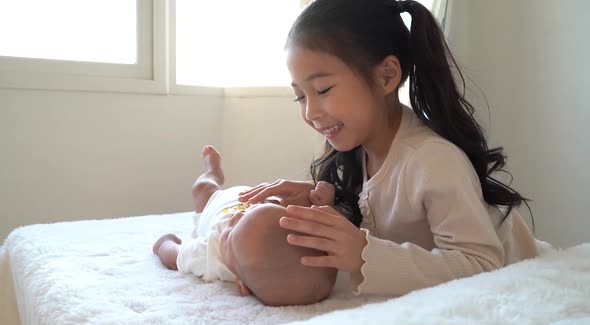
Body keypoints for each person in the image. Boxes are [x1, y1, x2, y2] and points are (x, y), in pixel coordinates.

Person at [238, 0, 539, 296]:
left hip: (523, 286)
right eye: (300, 97)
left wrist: (364, 254)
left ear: (386, 76)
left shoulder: (433, 161)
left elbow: (482, 265)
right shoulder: (359, 150)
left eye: (322, 90)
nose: (310, 112)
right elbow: (388, 228)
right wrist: (323, 205)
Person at [152, 145, 338, 306]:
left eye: (231, 233)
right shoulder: (281, 229)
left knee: (202, 188)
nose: (237, 216)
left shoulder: (213, 257)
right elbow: (315, 225)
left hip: (214, 205)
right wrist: (323, 203)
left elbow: (176, 257)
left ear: (242, 284)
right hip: (254, 195)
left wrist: (164, 244)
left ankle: (212, 173)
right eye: (245, 217)